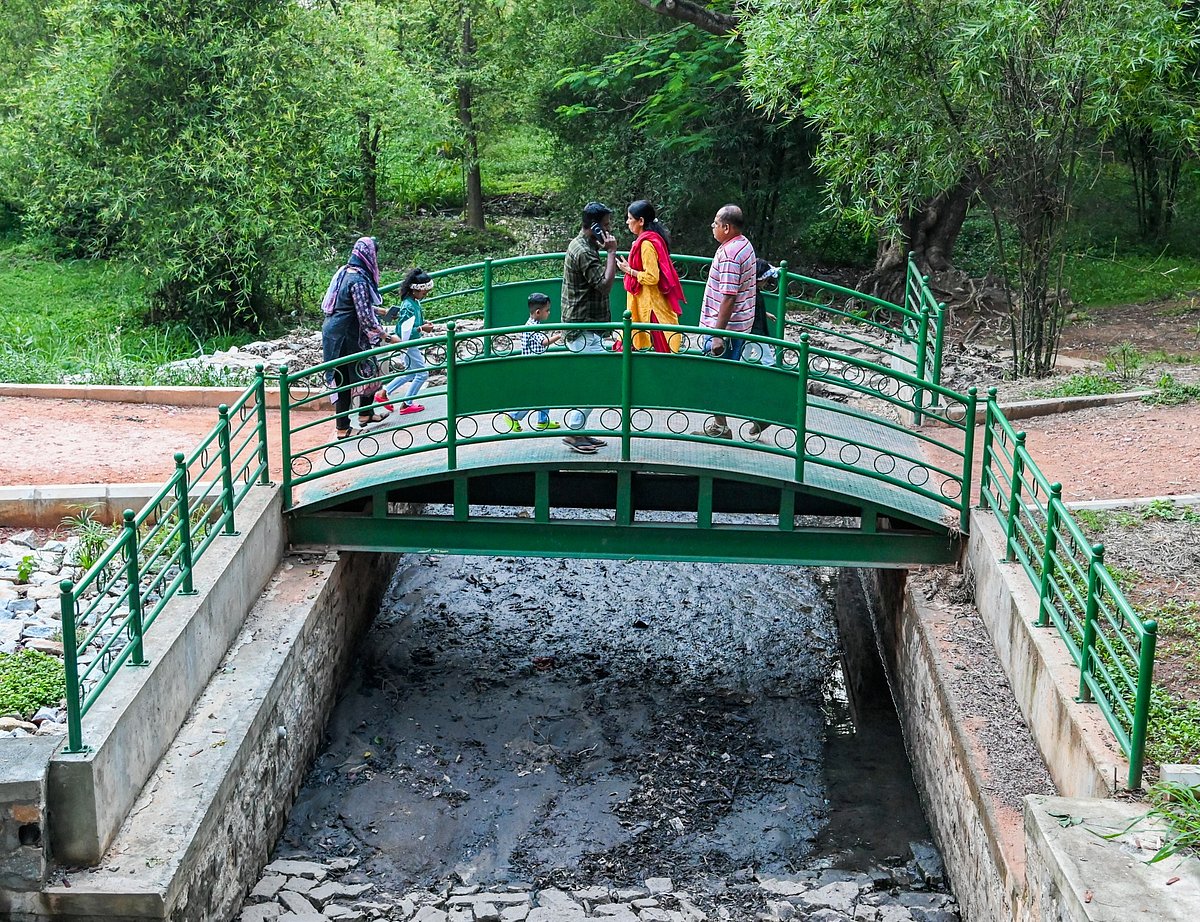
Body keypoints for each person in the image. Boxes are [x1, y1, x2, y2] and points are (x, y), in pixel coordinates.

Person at [320, 236, 400, 440]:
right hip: (344, 336)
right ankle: (342, 428)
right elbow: (365, 318)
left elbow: (352, 305)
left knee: (369, 370)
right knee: (344, 380)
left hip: (338, 332)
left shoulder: (346, 272)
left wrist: (380, 311)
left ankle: (366, 413)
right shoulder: (358, 281)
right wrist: (388, 337)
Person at [694, 204, 757, 440]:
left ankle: (759, 413)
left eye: (716, 224)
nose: (713, 227)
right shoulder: (743, 244)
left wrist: (717, 335)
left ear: (727, 227)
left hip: (726, 329)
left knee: (716, 378)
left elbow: (729, 297)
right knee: (721, 376)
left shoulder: (730, 254)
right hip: (738, 325)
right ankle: (722, 425)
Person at [560, 201, 618, 454]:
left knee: (592, 378)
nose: (609, 230)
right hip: (581, 326)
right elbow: (604, 285)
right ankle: (573, 431)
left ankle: (578, 429)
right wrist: (612, 253)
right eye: (605, 225)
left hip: (586, 326)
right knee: (598, 378)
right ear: (594, 226)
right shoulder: (583, 251)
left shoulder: (586, 246)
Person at [616, 200, 685, 352]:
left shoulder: (646, 244)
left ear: (640, 221)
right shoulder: (650, 239)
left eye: (630, 218)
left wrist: (629, 270)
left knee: (659, 349)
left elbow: (652, 277)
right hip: (647, 301)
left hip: (651, 306)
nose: (627, 222)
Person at [501, 292, 563, 432]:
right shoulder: (533, 327)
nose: (549, 313)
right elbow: (544, 342)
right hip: (533, 367)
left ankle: (543, 420)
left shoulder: (533, 323)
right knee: (534, 396)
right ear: (538, 312)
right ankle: (512, 416)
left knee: (545, 392)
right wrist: (560, 335)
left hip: (536, 365)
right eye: (547, 310)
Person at [378, 268, 437, 415]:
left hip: (411, 343)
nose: (425, 295)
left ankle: (384, 392)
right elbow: (403, 329)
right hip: (408, 343)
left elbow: (414, 322)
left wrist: (423, 324)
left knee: (410, 373)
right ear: (414, 290)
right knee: (422, 374)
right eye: (424, 293)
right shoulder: (408, 306)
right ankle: (407, 403)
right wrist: (422, 329)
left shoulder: (414, 302)